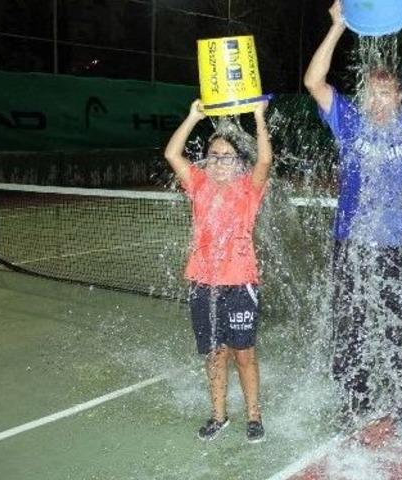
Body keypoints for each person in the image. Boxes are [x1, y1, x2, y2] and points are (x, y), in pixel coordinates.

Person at [303, 1, 402, 426]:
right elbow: (314, 81)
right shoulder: (348, 122)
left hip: (400, 245)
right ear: (362, 97)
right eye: (371, 93)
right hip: (351, 242)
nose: (378, 100)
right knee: (349, 326)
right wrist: (336, 27)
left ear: (399, 97)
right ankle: (357, 400)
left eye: (386, 93)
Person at [163, 99, 272, 442]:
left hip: (240, 283)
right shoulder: (198, 184)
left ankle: (254, 417)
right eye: (213, 156)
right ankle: (218, 415)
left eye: (227, 157)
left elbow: (266, 159)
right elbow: (172, 154)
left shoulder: (249, 189)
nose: (219, 162)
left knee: (244, 354)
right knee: (214, 354)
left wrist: (258, 118)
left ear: (239, 162)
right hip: (202, 283)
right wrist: (193, 115)